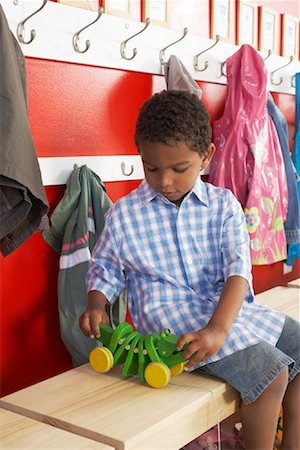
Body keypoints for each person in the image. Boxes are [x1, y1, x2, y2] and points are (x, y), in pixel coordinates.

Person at [80, 90, 300, 450]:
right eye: (152, 168)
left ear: (205, 156)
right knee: (270, 372)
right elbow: (105, 268)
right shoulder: (125, 214)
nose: (164, 180)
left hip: (224, 315)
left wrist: (217, 328)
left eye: (178, 169)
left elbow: (237, 271)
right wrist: (96, 304)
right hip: (172, 325)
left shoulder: (223, 205)